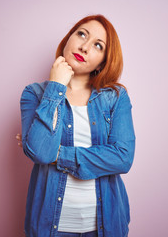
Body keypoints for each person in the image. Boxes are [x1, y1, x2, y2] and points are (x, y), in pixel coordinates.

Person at [16, 14, 135, 237]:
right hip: (50, 227)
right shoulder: (34, 94)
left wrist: (59, 155)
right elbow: (41, 153)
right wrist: (56, 87)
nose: (84, 47)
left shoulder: (115, 98)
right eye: (81, 34)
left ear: (103, 61)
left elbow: (123, 158)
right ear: (67, 38)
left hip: (106, 227)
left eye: (98, 46)